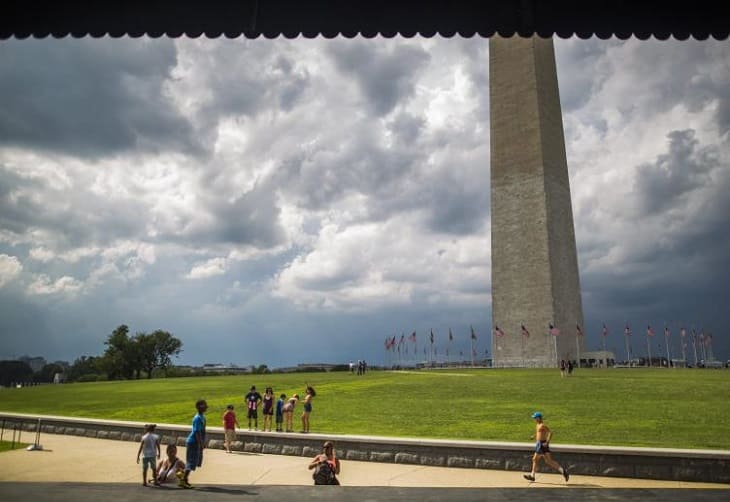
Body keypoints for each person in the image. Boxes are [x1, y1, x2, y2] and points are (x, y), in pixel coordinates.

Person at [523, 412, 569, 483]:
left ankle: (532, 476)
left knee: (535, 459)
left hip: (542, 444)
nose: (534, 419)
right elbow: (539, 432)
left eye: (535, 418)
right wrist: (534, 436)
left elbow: (550, 432)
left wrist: (547, 442)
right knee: (548, 461)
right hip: (539, 444)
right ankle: (563, 471)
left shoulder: (542, 425)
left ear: (539, 418)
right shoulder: (538, 425)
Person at [181, 399, 208, 489]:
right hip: (193, 442)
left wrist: (203, 442)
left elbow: (202, 431)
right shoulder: (197, 418)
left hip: (197, 442)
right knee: (191, 462)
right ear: (199, 407)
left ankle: (184, 478)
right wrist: (201, 443)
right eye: (204, 405)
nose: (206, 407)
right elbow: (197, 432)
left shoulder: (202, 417)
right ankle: (183, 480)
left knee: (195, 462)